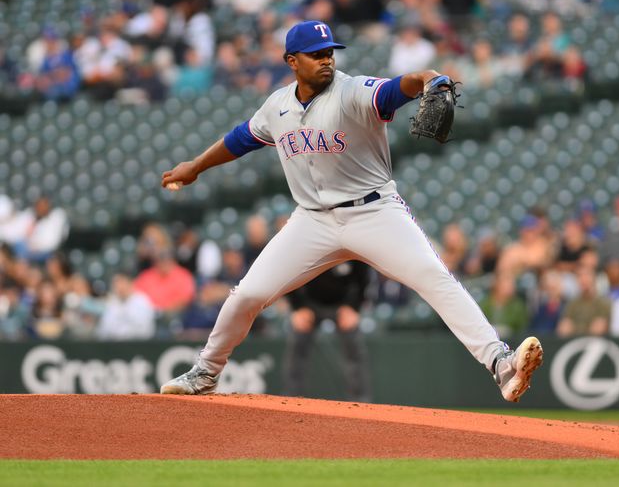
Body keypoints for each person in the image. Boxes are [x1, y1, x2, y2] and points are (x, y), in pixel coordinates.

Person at [159, 20, 543, 402]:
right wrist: (195, 166)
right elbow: (240, 139)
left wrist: (428, 76)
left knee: (433, 276)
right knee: (247, 294)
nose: (326, 60)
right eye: (316, 55)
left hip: (374, 212)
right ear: (292, 61)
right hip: (312, 220)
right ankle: (206, 372)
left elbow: (398, 88)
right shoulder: (276, 106)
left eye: (329, 53)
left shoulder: (353, 91)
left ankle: (500, 363)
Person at [284, 261, 372, 402]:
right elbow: (287, 272)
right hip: (309, 303)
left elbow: (364, 279)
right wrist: (298, 307)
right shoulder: (310, 243)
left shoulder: (351, 245)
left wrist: (354, 308)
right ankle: (290, 401)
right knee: (297, 347)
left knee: (355, 350)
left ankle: (360, 404)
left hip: (343, 304)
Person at [96, 273, 156, 340]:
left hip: (137, 345)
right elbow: (103, 330)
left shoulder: (142, 301)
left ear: (130, 283)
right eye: (115, 283)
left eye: (121, 282)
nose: (118, 286)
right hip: (113, 345)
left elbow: (145, 330)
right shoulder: (112, 303)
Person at [556, 266, 610, 337]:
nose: (583, 279)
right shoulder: (573, 303)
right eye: (580, 276)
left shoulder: (603, 303)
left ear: (594, 278)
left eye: (587, 276)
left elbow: (600, 327)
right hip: (573, 340)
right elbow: (564, 326)